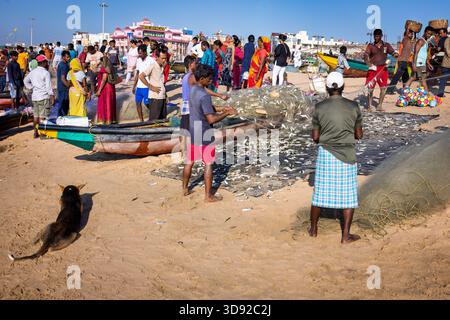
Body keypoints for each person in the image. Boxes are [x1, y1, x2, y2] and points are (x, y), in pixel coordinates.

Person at [310, 72, 363, 244]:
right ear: (343, 87)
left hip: (326, 153)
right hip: (347, 154)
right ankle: (345, 236)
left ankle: (313, 229)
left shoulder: (319, 107)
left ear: (326, 87)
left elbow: (315, 137)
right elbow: (359, 135)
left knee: (319, 193)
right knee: (348, 196)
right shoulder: (354, 106)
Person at [182, 64, 237, 202]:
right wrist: (226, 113)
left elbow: (206, 108)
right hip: (205, 132)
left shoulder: (193, 89)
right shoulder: (205, 95)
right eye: (209, 78)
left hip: (193, 128)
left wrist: (220, 109)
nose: (211, 81)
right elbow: (211, 118)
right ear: (202, 78)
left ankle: (184, 189)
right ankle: (208, 196)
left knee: (189, 161)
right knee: (208, 164)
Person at [364, 29, 398, 112]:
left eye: (378, 36)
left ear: (381, 36)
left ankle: (379, 105)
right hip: (373, 69)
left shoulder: (386, 45)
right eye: (375, 36)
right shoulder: (370, 46)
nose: (376, 38)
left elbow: (393, 53)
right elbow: (365, 56)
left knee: (383, 88)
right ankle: (369, 106)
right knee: (370, 89)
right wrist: (369, 65)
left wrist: (396, 56)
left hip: (383, 69)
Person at [24, 55, 55, 138]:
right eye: (46, 62)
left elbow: (25, 81)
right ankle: (42, 133)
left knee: (36, 116)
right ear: (43, 63)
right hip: (43, 96)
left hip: (35, 97)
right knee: (43, 117)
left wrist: (31, 87)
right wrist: (52, 96)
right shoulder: (45, 72)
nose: (47, 63)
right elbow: (48, 87)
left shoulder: (32, 72)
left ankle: (35, 132)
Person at [139, 48, 168, 121]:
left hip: (162, 97)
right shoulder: (153, 65)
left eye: (165, 58)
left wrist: (165, 95)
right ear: (157, 57)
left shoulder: (161, 67)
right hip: (155, 98)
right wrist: (151, 87)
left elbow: (161, 82)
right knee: (153, 121)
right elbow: (141, 76)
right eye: (162, 58)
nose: (164, 60)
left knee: (162, 120)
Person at [405, 27, 434, 93]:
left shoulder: (425, 42)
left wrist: (428, 63)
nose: (429, 35)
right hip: (419, 64)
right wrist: (414, 64)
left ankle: (404, 92)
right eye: (428, 33)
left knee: (413, 78)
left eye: (430, 34)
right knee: (423, 80)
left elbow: (423, 55)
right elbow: (416, 53)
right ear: (424, 32)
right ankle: (427, 96)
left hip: (421, 63)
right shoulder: (421, 41)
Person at [387, 29, 415, 95]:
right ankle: (389, 90)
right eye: (410, 33)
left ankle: (405, 90)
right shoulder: (405, 40)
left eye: (412, 34)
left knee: (406, 76)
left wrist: (414, 33)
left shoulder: (411, 42)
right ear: (406, 34)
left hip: (405, 61)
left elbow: (414, 40)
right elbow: (407, 33)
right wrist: (408, 28)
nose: (411, 34)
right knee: (397, 76)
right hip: (402, 61)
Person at [133, 45, 155, 123]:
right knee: (138, 104)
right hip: (139, 87)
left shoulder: (151, 60)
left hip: (147, 86)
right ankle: (141, 121)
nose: (139, 55)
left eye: (141, 53)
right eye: (139, 53)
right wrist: (134, 86)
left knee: (147, 103)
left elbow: (154, 73)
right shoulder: (138, 60)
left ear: (145, 52)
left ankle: (154, 117)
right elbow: (137, 73)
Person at [96, 51, 117, 125]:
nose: (100, 63)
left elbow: (104, 79)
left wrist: (99, 90)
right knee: (110, 103)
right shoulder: (110, 67)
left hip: (106, 88)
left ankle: (106, 120)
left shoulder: (104, 68)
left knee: (106, 104)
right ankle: (111, 119)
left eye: (101, 62)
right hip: (111, 87)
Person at [55, 51, 71, 117]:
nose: (68, 58)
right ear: (63, 57)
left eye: (69, 57)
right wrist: (68, 86)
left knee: (61, 103)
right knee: (64, 104)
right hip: (64, 87)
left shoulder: (61, 64)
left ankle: (60, 117)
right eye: (67, 57)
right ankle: (62, 118)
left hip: (60, 86)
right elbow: (63, 78)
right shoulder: (64, 65)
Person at [438, 29, 450, 98]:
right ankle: (440, 93)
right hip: (447, 63)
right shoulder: (447, 40)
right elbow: (447, 50)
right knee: (443, 79)